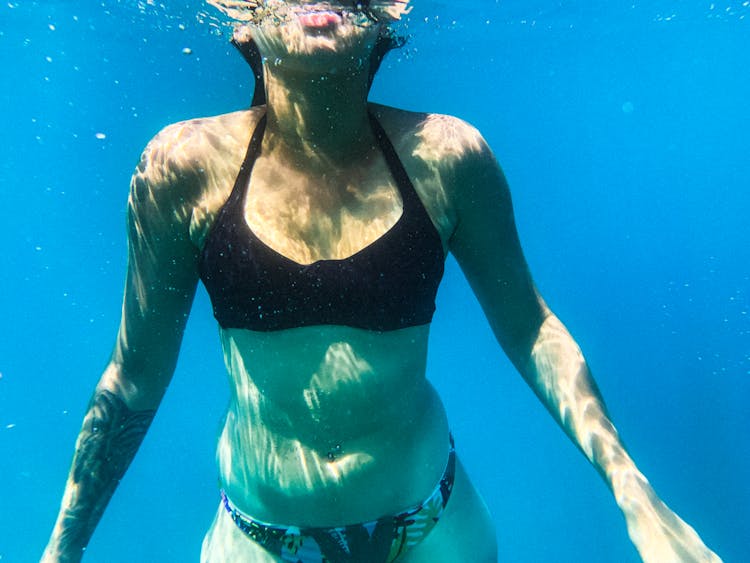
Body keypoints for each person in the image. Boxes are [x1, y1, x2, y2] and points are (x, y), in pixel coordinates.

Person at [42, 1, 722, 562]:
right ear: (243, 24)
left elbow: (531, 326)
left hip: (431, 527)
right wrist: (60, 550)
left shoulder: (448, 158)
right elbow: (132, 378)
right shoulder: (180, 169)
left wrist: (635, 491)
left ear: (389, 19)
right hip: (259, 539)